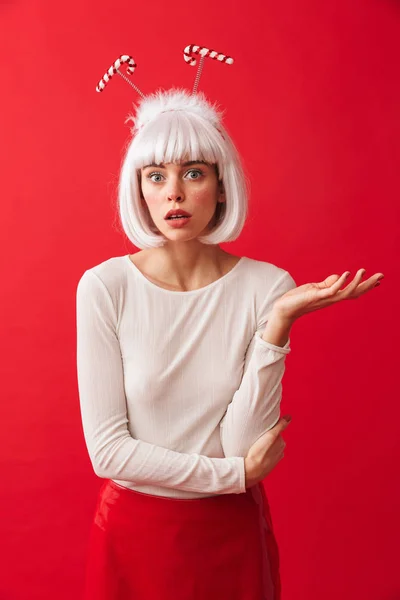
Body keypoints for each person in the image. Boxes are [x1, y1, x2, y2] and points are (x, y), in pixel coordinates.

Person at [76, 87, 384, 600]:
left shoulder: (267, 287)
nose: (174, 192)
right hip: (133, 538)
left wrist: (277, 326)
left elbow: (244, 445)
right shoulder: (106, 287)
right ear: (140, 192)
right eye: (157, 177)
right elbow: (108, 453)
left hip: (229, 536)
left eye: (193, 173)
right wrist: (233, 475)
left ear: (221, 187)